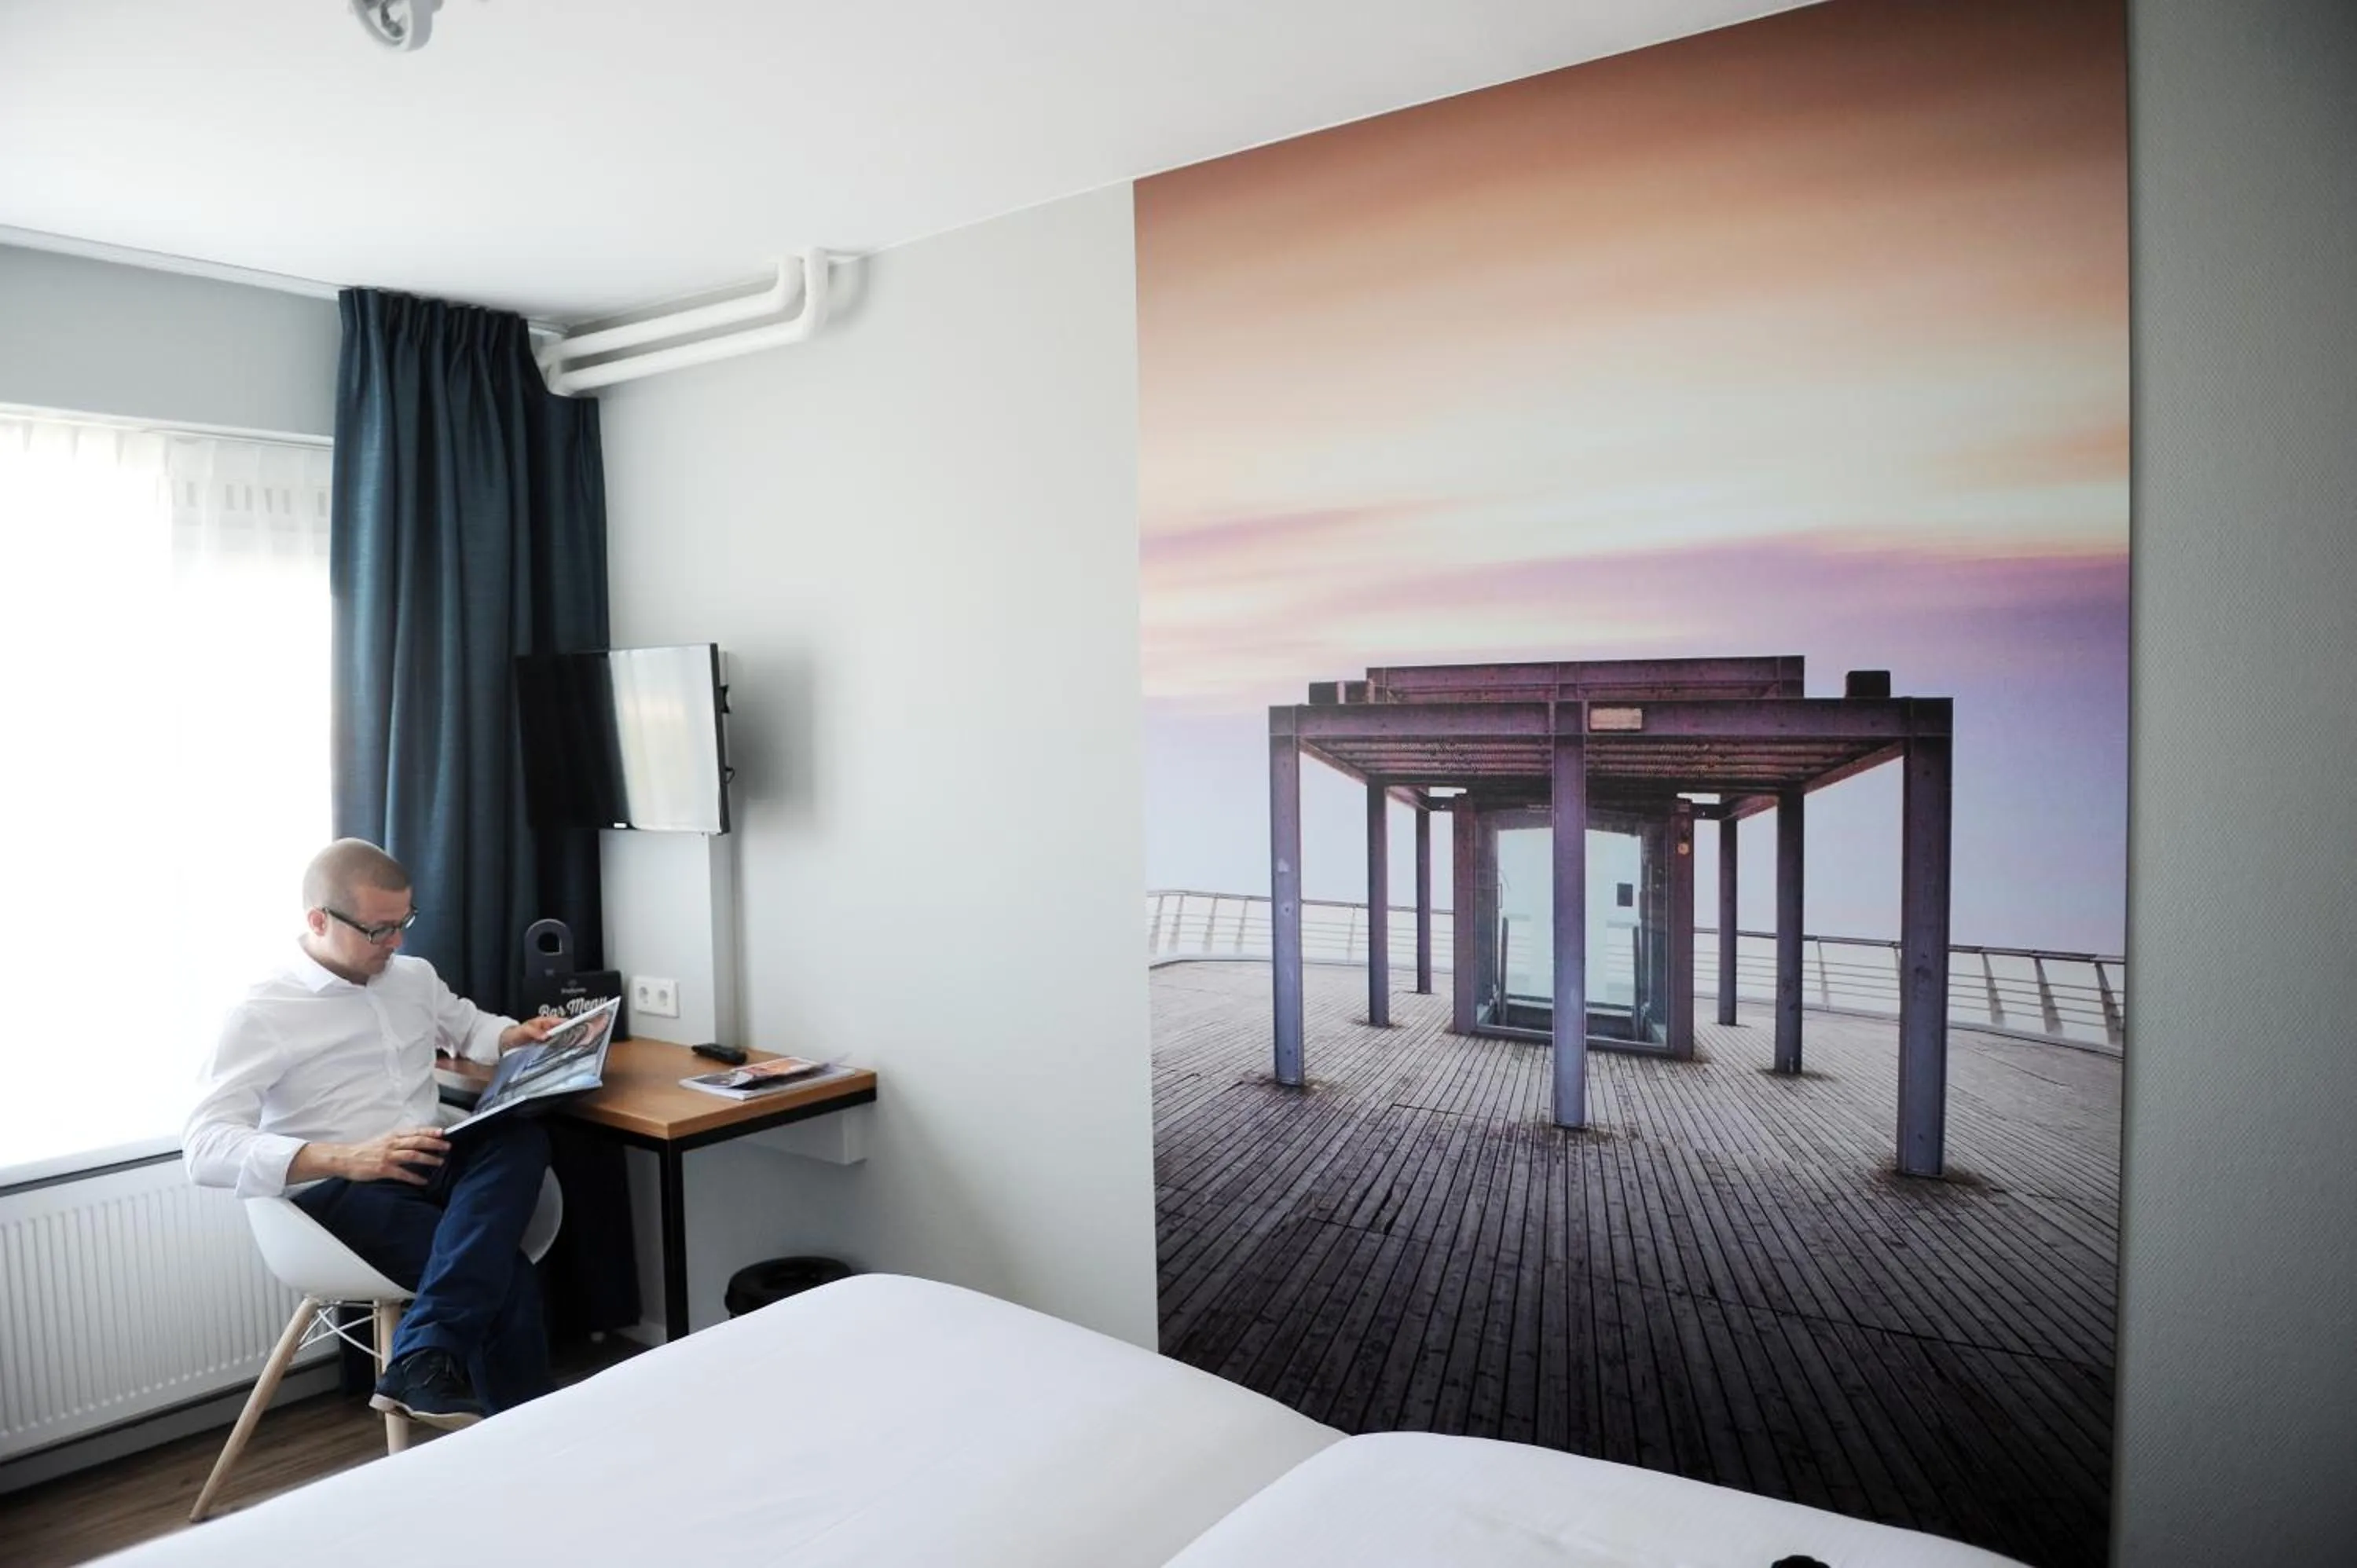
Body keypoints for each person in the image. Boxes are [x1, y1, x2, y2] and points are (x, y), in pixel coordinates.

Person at [185, 838, 566, 1428]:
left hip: (429, 1156)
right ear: (318, 920)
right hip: (341, 1190)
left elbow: (467, 1026)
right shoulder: (263, 1011)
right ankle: (529, 1439)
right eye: (379, 930)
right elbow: (205, 1147)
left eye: (404, 923)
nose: (397, 943)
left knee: (520, 1136)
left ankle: (421, 1356)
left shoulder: (411, 977)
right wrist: (348, 1157)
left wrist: (514, 1036)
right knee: (504, 1272)